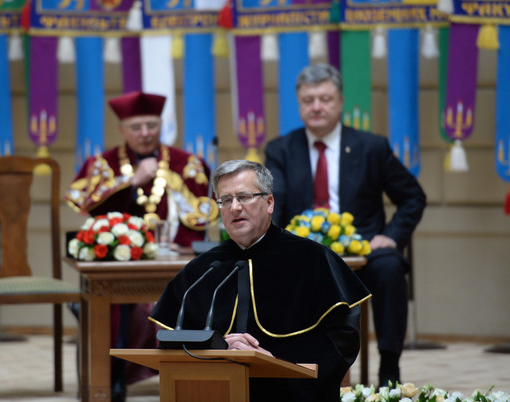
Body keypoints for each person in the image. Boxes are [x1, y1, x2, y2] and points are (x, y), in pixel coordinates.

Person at [150, 160, 371, 401]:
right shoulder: (203, 269)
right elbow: (172, 342)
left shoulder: (313, 259)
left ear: (269, 203)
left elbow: (342, 337)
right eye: (225, 200)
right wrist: (217, 349)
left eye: (244, 197)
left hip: (291, 394)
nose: (234, 207)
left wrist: (277, 362)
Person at [264, 62, 427, 387]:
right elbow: (275, 204)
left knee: (391, 268)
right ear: (298, 105)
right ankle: (285, 370)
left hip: (363, 253)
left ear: (339, 101)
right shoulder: (281, 149)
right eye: (308, 100)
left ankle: (389, 369)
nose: (317, 107)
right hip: (305, 255)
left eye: (325, 99)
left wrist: (391, 237)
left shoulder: (371, 147)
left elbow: (413, 197)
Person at [64, 90, 218, 400]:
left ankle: (190, 370)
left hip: (175, 260)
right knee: (122, 302)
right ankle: (116, 373)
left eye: (152, 125)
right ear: (122, 129)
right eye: (136, 127)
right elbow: (84, 204)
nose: (145, 133)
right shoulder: (102, 164)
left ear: (161, 125)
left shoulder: (185, 163)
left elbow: (203, 214)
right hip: (121, 264)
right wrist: (130, 181)